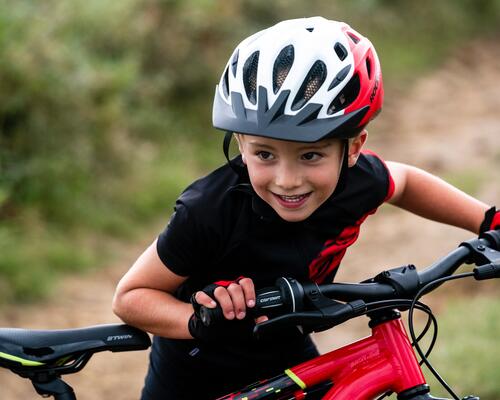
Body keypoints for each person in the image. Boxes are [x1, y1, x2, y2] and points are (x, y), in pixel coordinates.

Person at [112, 17, 499, 399]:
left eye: (310, 155)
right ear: (240, 143)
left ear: (354, 147)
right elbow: (131, 297)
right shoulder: (209, 210)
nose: (287, 180)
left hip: (288, 355)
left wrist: (488, 221)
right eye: (264, 154)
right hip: (192, 375)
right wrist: (200, 321)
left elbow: (408, 183)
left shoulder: (358, 180)